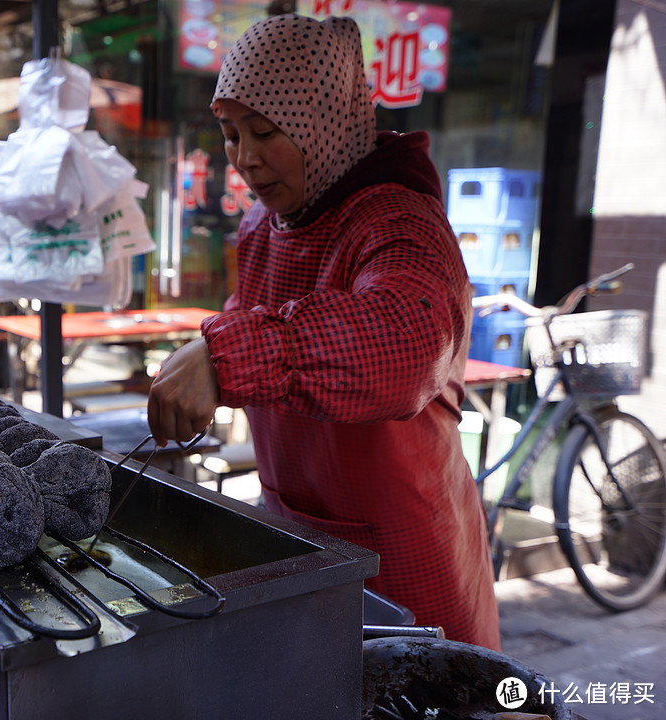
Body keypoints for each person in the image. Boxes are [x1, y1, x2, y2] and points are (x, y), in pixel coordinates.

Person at [146, 14, 500, 650]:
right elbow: (252, 315)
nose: (245, 159)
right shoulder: (264, 224)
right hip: (301, 531)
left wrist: (228, 356)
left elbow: (400, 346)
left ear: (325, 119)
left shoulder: (399, 223)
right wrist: (202, 355)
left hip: (402, 553)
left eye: (265, 132)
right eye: (230, 135)